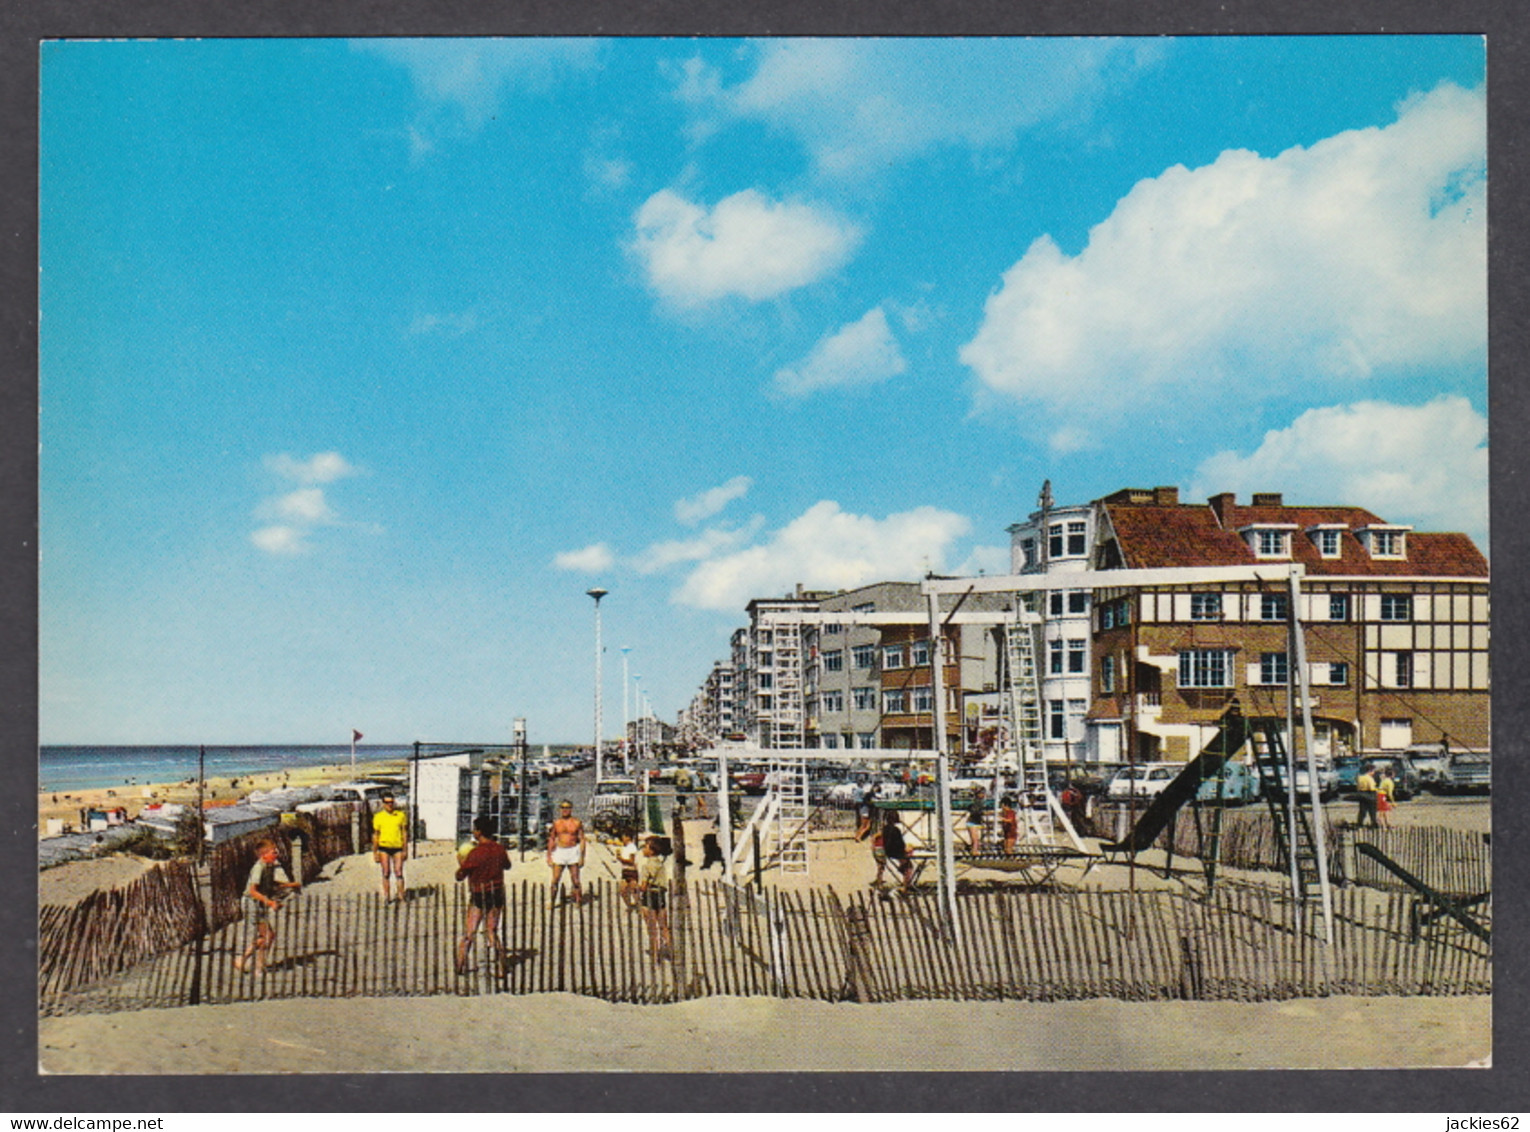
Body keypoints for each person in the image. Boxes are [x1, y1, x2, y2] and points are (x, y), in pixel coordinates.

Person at [455, 816, 511, 976]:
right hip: (496, 893)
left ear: (479, 832)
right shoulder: (500, 849)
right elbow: (507, 865)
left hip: (479, 894)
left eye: (475, 829)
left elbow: (460, 875)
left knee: (470, 932)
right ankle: (501, 967)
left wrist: (461, 862)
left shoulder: (475, 853)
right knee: (492, 932)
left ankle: (460, 966)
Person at [234, 839, 300, 976]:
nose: (277, 854)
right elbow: (253, 890)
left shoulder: (269, 867)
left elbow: (270, 885)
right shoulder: (259, 867)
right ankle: (255, 965)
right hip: (251, 903)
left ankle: (246, 961)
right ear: (264, 855)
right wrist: (270, 903)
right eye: (274, 852)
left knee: (267, 936)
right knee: (267, 936)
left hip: (259, 903)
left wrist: (289, 885)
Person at [638, 833, 672, 961]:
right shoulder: (661, 864)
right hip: (661, 895)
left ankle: (655, 955)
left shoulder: (647, 866)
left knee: (651, 928)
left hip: (650, 896)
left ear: (651, 851)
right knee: (664, 926)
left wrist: (637, 889)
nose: (643, 849)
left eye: (645, 847)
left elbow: (643, 886)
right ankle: (670, 950)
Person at [546, 799, 586, 906]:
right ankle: (552, 901)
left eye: (567, 807)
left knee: (575, 880)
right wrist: (549, 856)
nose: (565, 810)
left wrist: (582, 856)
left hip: (572, 851)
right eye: (563, 808)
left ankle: (578, 900)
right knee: (555, 879)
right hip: (560, 851)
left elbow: (582, 839)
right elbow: (552, 839)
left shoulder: (576, 822)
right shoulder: (557, 823)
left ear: (571, 809)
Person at [371, 791, 408, 902]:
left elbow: (404, 833)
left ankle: (401, 895)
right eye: (387, 802)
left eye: (391, 802)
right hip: (384, 847)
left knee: (398, 872)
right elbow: (376, 835)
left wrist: (405, 849)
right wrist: (375, 851)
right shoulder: (378, 817)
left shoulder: (400, 815)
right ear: (383, 803)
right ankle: (387, 896)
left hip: (397, 847)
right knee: (386, 872)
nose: (389, 805)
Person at [881, 815, 914, 893]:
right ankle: (905, 887)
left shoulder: (884, 829)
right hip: (897, 852)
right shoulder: (896, 830)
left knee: (905, 864)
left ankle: (905, 882)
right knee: (908, 867)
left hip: (888, 851)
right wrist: (906, 849)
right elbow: (900, 844)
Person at [616, 828, 641, 908]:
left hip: (631, 871)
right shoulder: (625, 847)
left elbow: (631, 861)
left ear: (628, 837)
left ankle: (639, 906)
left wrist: (621, 859)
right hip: (625, 871)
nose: (622, 839)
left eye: (623, 837)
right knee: (622, 890)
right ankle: (629, 905)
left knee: (634, 891)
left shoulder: (632, 847)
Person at [1355, 764, 1379, 828]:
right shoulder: (1369, 779)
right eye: (1373, 771)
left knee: (1362, 810)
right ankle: (1373, 823)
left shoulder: (1360, 778)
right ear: (1370, 771)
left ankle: (1360, 822)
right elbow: (1372, 788)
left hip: (1361, 793)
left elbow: (1357, 787)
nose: (1374, 773)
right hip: (1370, 794)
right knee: (1372, 810)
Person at [965, 787, 986, 855]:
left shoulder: (979, 802)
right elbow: (975, 811)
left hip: (975, 822)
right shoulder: (977, 802)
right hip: (972, 822)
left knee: (976, 839)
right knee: (975, 840)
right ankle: (974, 852)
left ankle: (974, 851)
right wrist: (982, 813)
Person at [1377, 766, 1397, 830]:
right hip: (1382, 796)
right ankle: (1383, 826)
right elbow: (1390, 794)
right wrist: (1393, 802)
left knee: (1385, 810)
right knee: (1382, 811)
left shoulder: (1384, 780)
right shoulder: (1390, 782)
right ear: (1392, 775)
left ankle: (1387, 824)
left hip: (1379, 795)